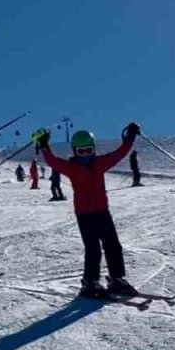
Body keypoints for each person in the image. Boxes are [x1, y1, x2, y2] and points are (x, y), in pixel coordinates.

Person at [37, 124, 139, 297]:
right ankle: (90, 282)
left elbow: (119, 153)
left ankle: (117, 279)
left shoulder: (100, 163)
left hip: (102, 211)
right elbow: (52, 161)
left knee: (113, 245)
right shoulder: (72, 167)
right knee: (93, 248)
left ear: (93, 150)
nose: (85, 155)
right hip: (84, 214)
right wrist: (44, 144)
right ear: (74, 151)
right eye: (80, 151)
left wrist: (129, 138)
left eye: (88, 150)